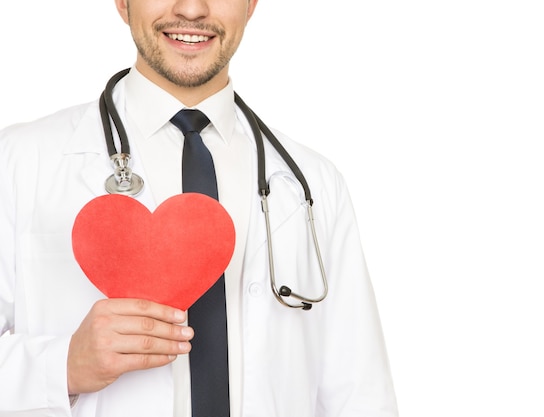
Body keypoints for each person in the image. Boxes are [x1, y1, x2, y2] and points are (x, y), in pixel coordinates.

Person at [0, 0, 398, 416]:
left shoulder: (312, 184)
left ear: (251, 4)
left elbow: (361, 394)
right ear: (122, 2)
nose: (192, 9)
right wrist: (62, 366)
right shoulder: (19, 162)